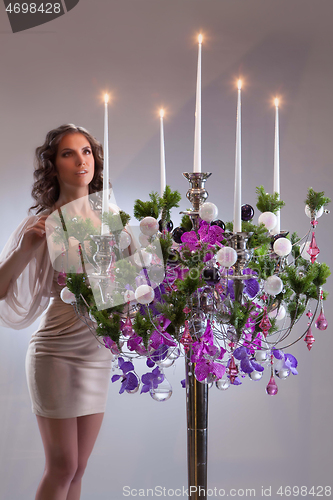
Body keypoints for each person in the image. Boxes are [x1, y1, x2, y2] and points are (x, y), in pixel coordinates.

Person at [0, 124, 115, 500]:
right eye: (68, 153)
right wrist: (23, 251)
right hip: (57, 352)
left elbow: (123, 295)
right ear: (53, 165)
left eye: (86, 151)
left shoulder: (113, 220)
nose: (81, 160)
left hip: (97, 353)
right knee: (62, 467)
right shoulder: (43, 223)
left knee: (79, 468)